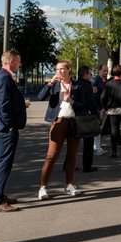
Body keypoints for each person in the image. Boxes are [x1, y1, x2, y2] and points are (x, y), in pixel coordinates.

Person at [37, 60, 95, 200]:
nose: (59, 72)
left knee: (72, 155)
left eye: (62, 69)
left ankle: (69, 185)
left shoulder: (77, 86)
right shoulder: (54, 85)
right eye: (57, 69)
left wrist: (72, 101)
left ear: (69, 70)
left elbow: (84, 105)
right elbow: (40, 97)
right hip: (58, 121)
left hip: (74, 122)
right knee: (52, 155)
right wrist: (51, 82)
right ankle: (43, 187)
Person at [0, 50, 27, 212]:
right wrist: (10, 125)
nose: (20, 64)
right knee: (3, 163)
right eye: (18, 61)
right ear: (11, 61)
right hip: (4, 127)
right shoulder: (4, 78)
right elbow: (3, 105)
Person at [78, 65, 100, 173]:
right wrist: (97, 115)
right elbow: (91, 102)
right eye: (90, 74)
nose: (91, 76)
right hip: (86, 116)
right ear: (85, 74)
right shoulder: (87, 85)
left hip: (75, 115)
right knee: (88, 142)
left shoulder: (75, 84)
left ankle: (68, 164)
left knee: (73, 142)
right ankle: (87, 166)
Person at [92, 64, 109, 156]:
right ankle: (97, 148)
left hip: (104, 108)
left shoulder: (104, 81)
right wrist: (99, 108)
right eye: (104, 70)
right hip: (99, 108)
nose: (106, 72)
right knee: (97, 128)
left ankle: (98, 146)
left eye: (107, 70)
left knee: (100, 128)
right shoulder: (95, 80)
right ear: (99, 70)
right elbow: (94, 95)